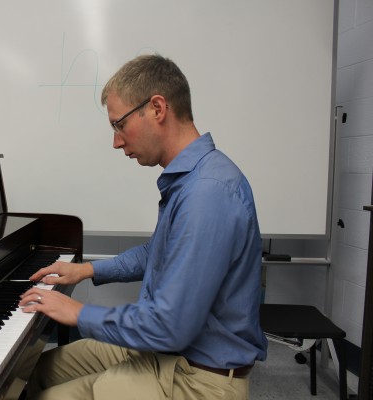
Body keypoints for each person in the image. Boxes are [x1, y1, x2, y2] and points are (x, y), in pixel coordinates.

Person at [18, 54, 267, 400]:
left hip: (197, 376)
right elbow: (157, 252)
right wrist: (86, 270)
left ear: (157, 108)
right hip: (167, 353)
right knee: (32, 372)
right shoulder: (190, 179)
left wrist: (79, 313)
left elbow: (169, 326)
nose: (117, 141)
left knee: (47, 396)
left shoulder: (207, 193)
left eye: (119, 125)